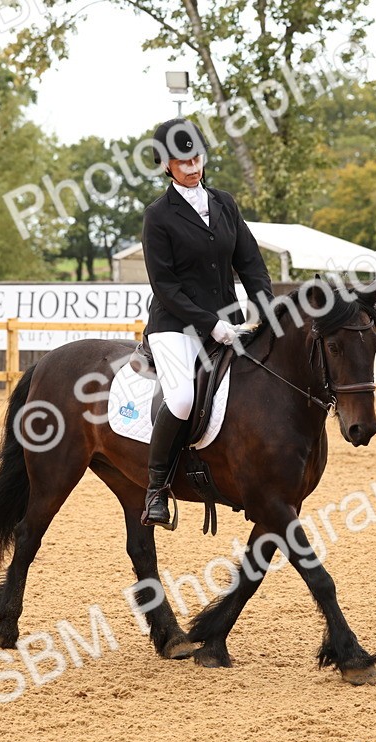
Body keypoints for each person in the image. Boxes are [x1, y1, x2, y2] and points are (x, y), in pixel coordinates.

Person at [140, 118, 274, 527]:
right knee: (181, 398)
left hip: (228, 322)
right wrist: (208, 324)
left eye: (197, 156)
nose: (193, 166)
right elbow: (165, 286)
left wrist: (267, 310)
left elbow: (250, 263)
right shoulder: (158, 216)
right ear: (167, 166)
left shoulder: (224, 203)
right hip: (174, 326)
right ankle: (156, 491)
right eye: (183, 162)